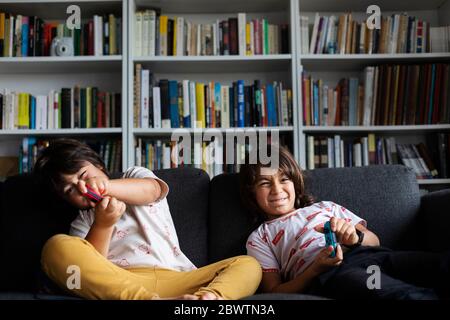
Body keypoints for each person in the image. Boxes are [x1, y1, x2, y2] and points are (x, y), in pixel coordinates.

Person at [34, 138, 261, 300]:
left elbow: (152, 191)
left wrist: (107, 187)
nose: (83, 188)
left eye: (84, 176)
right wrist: (103, 224)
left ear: (99, 166)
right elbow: (88, 271)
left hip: (180, 278)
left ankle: (207, 300)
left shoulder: (132, 176)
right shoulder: (82, 221)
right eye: (70, 190)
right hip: (124, 286)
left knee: (247, 264)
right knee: (56, 247)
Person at [239, 145, 450, 299]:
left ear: (295, 182)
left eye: (284, 179)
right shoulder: (261, 236)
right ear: (252, 193)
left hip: (377, 256)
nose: (277, 189)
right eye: (266, 183)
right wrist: (315, 270)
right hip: (336, 273)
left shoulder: (325, 207)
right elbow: (273, 291)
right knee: (396, 294)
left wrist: (354, 237)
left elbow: (374, 240)